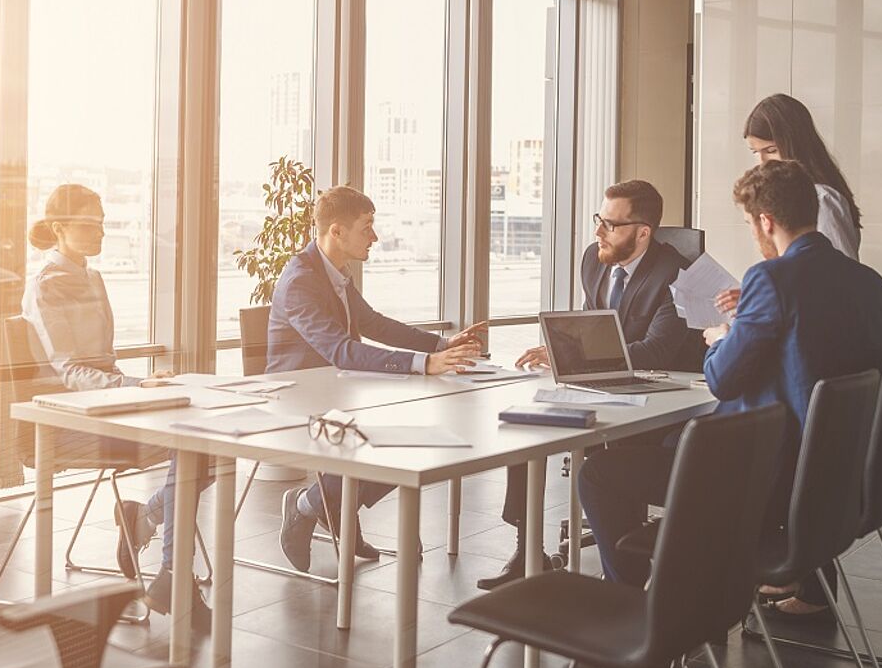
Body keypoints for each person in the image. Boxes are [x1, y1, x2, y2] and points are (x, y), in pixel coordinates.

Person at [578, 160, 882, 593]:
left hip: (763, 478)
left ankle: (630, 600)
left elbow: (722, 380)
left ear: (765, 222)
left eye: (750, 224)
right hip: (841, 477)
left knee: (598, 472)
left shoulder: (770, 278)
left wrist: (723, 336)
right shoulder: (871, 283)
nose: (753, 233)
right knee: (673, 442)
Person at [480, 179, 698, 590]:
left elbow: (655, 352)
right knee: (531, 425)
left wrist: (578, 357)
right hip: (602, 387)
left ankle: (626, 573)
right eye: (599, 220)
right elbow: (590, 327)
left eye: (610, 225)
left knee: (603, 462)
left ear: (643, 232)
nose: (598, 232)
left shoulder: (676, 275)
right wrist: (561, 351)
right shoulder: (594, 261)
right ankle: (528, 552)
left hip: (659, 400)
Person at [22, 183, 212, 631]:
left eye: (102, 225)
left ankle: (146, 524)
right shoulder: (45, 287)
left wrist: (140, 382)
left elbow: (101, 362)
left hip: (109, 402)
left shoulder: (93, 277)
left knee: (207, 446)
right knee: (193, 450)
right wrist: (132, 383)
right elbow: (69, 371)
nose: (100, 233)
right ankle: (171, 576)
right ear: (58, 228)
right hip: (70, 418)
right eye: (88, 225)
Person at [267, 185, 485, 572]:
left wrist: (440, 343)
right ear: (336, 231)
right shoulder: (301, 279)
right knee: (386, 444)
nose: (375, 236)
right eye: (367, 227)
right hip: (299, 402)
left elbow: (372, 324)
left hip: (337, 394)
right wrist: (425, 363)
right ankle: (311, 506)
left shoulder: (335, 273)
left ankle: (323, 505)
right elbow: (342, 350)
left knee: (405, 441)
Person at [713, 94, 862, 319]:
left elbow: (843, 281)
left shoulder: (823, 199)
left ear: (795, 145)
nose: (763, 162)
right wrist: (761, 297)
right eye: (756, 152)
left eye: (771, 150)